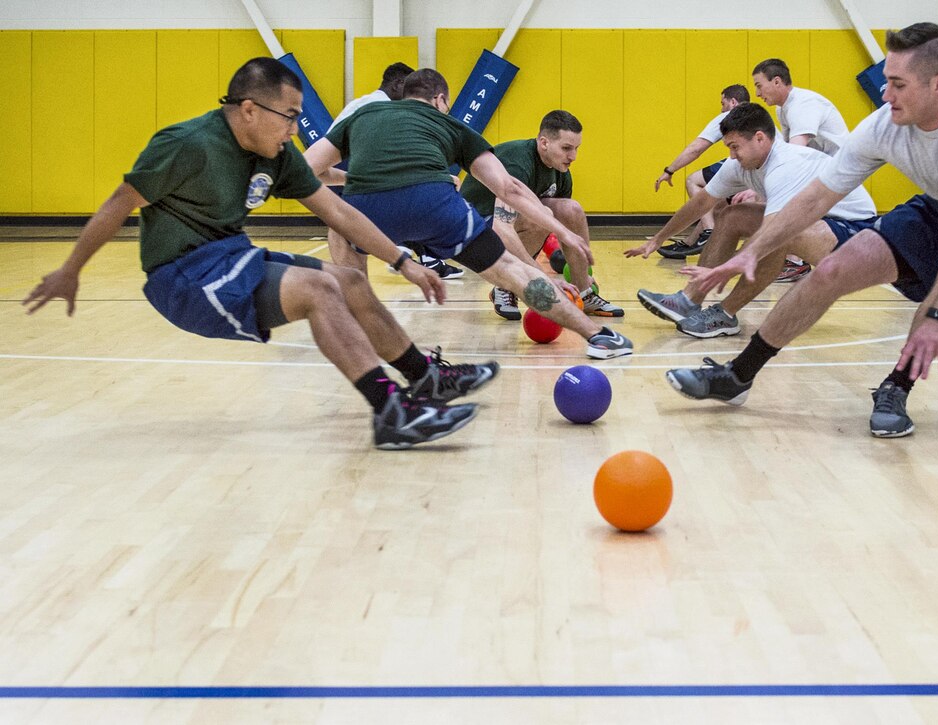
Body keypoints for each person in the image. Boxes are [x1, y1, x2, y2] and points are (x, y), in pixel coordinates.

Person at [21, 57, 498, 450]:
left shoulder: (277, 153)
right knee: (317, 289)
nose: (295, 128)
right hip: (183, 280)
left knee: (350, 281)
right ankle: (391, 413)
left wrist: (402, 261)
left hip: (232, 256)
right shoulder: (187, 145)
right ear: (249, 110)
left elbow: (339, 211)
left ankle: (424, 378)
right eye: (289, 115)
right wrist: (70, 270)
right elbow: (117, 205)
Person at [666, 23, 938, 438]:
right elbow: (816, 198)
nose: (885, 94)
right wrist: (752, 250)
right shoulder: (885, 124)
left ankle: (896, 387)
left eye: (897, 84)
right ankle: (737, 376)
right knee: (833, 268)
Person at [303, 69, 633, 360]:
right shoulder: (452, 125)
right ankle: (598, 336)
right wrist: (562, 231)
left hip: (369, 210)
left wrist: (355, 180)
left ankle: (360, 340)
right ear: (439, 99)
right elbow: (509, 189)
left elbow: (308, 170)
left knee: (342, 233)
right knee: (510, 270)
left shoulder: (363, 116)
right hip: (437, 206)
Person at [628, 102, 877, 338]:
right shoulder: (739, 164)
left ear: (760, 138)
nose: (732, 154)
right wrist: (659, 239)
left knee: (778, 235)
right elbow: (701, 202)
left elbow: (771, 232)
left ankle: (725, 314)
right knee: (733, 215)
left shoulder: (786, 165)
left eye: (735, 146)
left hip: (855, 237)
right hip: (818, 224)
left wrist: (727, 267)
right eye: (729, 147)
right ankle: (688, 301)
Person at [459, 110, 624, 321]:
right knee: (539, 215)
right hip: (471, 227)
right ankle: (507, 285)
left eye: (576, 149)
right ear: (544, 143)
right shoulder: (518, 163)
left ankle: (585, 293)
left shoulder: (561, 172)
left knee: (571, 209)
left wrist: (581, 268)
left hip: (505, 225)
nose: (573, 156)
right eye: (566, 148)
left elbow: (561, 225)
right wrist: (542, 278)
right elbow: (503, 227)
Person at [323, 62, 462, 279]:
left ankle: (416, 253)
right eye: (410, 91)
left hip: (352, 173)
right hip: (346, 169)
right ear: (398, 86)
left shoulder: (378, 107)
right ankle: (405, 249)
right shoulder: (375, 107)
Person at [753, 58, 853, 282]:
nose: (758, 93)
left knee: (787, 199)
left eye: (759, 85)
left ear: (777, 81)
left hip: (838, 173)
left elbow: (795, 153)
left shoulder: (803, 104)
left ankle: (795, 262)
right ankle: (791, 258)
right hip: (822, 169)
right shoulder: (784, 109)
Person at [653, 85, 751, 259]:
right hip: (761, 168)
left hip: (749, 164)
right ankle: (691, 242)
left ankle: (709, 232)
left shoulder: (728, 116)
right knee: (718, 203)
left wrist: (670, 170)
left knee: (693, 181)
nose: (721, 108)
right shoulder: (757, 115)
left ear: (733, 102)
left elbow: (696, 149)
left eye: (723, 103)